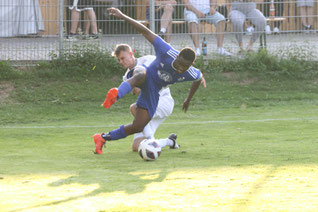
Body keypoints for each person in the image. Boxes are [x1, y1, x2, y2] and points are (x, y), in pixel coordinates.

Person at [92, 7, 206, 154]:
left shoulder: (191, 71)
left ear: (190, 66)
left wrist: (188, 99)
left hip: (153, 92)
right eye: (179, 64)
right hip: (146, 76)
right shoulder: (167, 51)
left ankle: (102, 138)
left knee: (138, 126)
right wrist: (122, 15)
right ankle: (116, 94)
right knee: (139, 72)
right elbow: (145, 31)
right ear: (177, 56)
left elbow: (198, 79)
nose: (180, 69)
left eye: (184, 67)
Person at [112, 43, 178, 152]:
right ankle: (170, 141)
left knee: (134, 108)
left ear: (131, 53)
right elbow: (139, 92)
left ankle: (152, 141)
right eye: (119, 60)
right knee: (136, 147)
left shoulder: (148, 59)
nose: (121, 62)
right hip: (150, 106)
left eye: (123, 58)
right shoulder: (126, 76)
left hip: (164, 101)